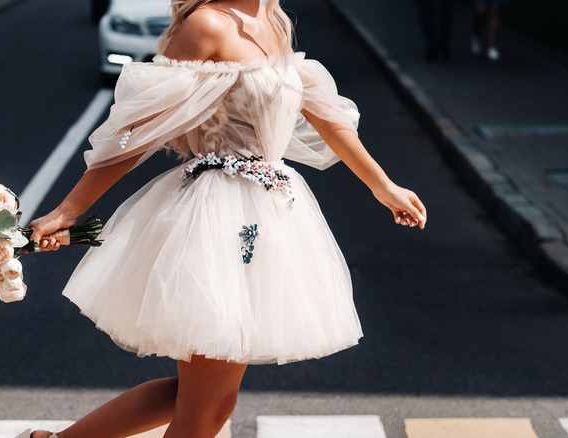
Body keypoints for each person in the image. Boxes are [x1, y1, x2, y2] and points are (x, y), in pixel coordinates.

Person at [22, 0, 427, 437]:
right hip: (215, 219)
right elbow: (139, 130)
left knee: (204, 399)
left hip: (270, 216)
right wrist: (68, 211)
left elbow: (328, 118)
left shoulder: (272, 22)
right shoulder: (205, 24)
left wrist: (383, 186)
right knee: (206, 409)